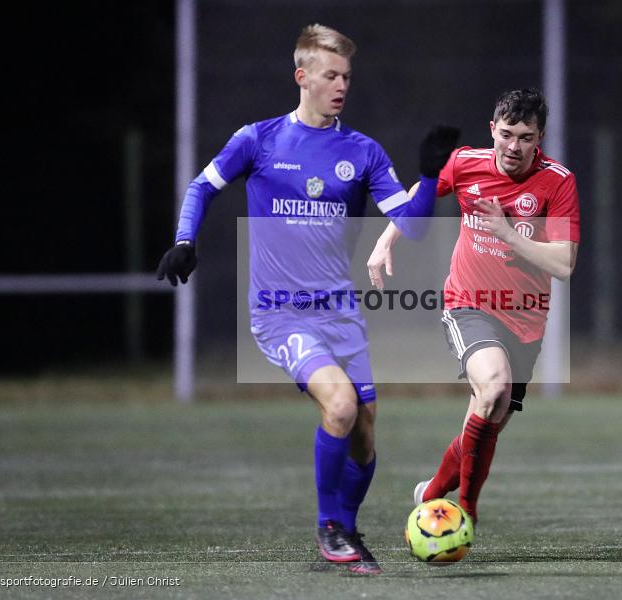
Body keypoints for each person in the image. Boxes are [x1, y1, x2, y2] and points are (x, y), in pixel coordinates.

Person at [156, 23, 459, 574]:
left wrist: (431, 178)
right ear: (302, 77)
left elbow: (410, 231)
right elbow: (202, 186)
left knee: (365, 436)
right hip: (280, 314)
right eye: (330, 75)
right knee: (339, 406)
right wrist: (184, 240)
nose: (341, 84)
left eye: (346, 75)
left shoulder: (362, 152)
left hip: (340, 313)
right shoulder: (259, 138)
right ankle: (329, 528)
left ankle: (345, 527)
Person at [367, 88, 579, 523]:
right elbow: (423, 188)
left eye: (525, 137)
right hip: (469, 303)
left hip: (526, 319)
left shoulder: (558, 181)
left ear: (540, 137)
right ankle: (465, 511)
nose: (514, 147)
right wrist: (388, 236)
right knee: (495, 386)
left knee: (489, 416)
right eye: (506, 134)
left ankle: (432, 489)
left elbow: (563, 262)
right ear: (492, 131)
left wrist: (508, 234)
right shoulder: (466, 162)